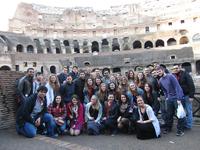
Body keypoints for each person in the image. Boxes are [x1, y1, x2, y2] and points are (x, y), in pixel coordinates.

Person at [157, 66, 185, 136]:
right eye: (157, 72)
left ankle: (180, 130)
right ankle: (169, 128)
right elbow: (164, 90)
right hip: (169, 99)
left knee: (179, 115)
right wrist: (167, 97)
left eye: (159, 71)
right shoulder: (160, 80)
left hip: (176, 98)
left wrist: (179, 98)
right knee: (169, 114)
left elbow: (177, 87)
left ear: (163, 70)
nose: (158, 73)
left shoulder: (171, 76)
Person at [172, 64, 195, 129]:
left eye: (177, 68)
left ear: (180, 68)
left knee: (188, 111)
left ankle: (189, 125)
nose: (175, 69)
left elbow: (191, 85)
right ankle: (184, 124)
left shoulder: (185, 74)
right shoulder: (173, 75)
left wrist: (191, 96)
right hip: (179, 97)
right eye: (174, 68)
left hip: (187, 95)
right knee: (182, 111)